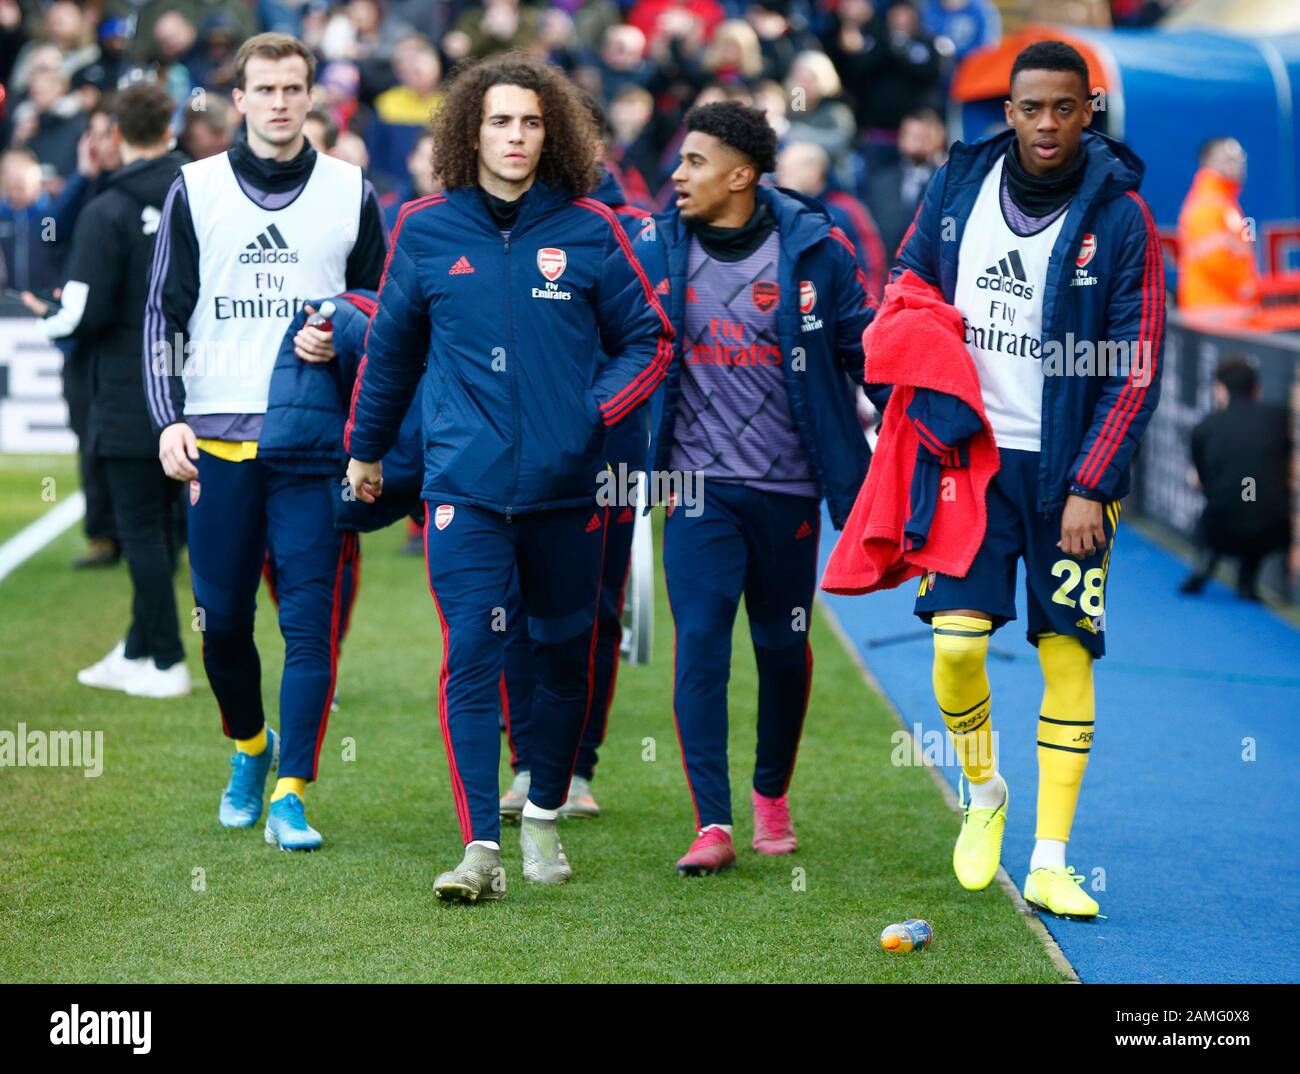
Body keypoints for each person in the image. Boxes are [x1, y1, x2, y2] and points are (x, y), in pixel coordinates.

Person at [344, 52, 671, 902]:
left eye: (530, 120)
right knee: (471, 658)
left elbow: (653, 341)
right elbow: (389, 354)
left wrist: (589, 416)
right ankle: (479, 849)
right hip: (465, 490)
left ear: (551, 130)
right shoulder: (424, 229)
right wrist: (366, 449)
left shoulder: (593, 229)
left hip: (569, 491)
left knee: (565, 659)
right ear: (470, 131)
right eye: (499, 120)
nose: (517, 136)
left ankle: (545, 820)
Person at [895, 40, 1164, 918]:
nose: (1046, 125)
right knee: (956, 648)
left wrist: (1093, 482)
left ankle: (1050, 859)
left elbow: (1135, 365)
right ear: (1006, 112)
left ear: (1091, 108)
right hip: (969, 461)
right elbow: (908, 282)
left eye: (1063, 108)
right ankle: (984, 794)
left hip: (1070, 479)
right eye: (1029, 109)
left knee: (1065, 653)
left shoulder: (1123, 220)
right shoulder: (957, 187)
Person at [144, 32, 387, 851]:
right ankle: (250, 748)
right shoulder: (195, 187)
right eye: (265, 90)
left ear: (311, 96)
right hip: (216, 443)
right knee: (220, 623)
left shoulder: (352, 190)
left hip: (312, 450)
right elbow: (161, 316)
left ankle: (291, 792)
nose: (281, 103)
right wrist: (168, 417)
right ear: (238, 100)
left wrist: (342, 336)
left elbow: (382, 316)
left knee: (310, 628)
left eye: (294, 88)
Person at [645, 101, 880, 876]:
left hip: (787, 494)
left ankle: (770, 795)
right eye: (680, 161)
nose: (678, 176)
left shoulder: (816, 249)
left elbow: (863, 351)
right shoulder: (655, 248)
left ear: (742, 175)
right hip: (697, 490)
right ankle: (712, 824)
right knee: (702, 643)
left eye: (695, 163)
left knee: (782, 650)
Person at [498, 89, 655, 823]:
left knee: (592, 612)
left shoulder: (633, 229)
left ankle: (577, 767)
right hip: (506, 454)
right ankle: (527, 762)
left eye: (557, 127)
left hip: (607, 454)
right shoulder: (494, 218)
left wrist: (593, 418)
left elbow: (652, 344)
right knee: (506, 608)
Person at [27, 82, 191, 697]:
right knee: (165, 524)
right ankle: (139, 645)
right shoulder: (202, 192)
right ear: (169, 125)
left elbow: (83, 312)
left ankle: (167, 659)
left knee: (139, 527)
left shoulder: (108, 209)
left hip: (127, 388)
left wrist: (47, 315)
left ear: (116, 133)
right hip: (191, 385)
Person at [1180, 357, 1292, 601]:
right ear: (1256, 389)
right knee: (1252, 500)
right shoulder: (1281, 418)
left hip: (1221, 528)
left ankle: (1205, 565)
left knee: (1229, 503)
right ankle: (1247, 579)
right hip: (1273, 532)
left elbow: (1202, 479)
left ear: (1219, 389)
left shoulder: (1204, 428)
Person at [776, 139, 886, 302]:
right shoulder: (778, 209)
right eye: (781, 170)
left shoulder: (846, 209)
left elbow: (871, 263)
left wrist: (868, 310)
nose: (780, 178)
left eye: (789, 171)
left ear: (814, 172)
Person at [1176, 136, 1256, 320]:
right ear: (1209, 163)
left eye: (1241, 157)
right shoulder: (1210, 204)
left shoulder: (1221, 201)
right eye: (1230, 158)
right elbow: (1214, 259)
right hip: (1217, 310)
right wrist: (1246, 286)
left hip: (1221, 307)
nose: (1240, 163)